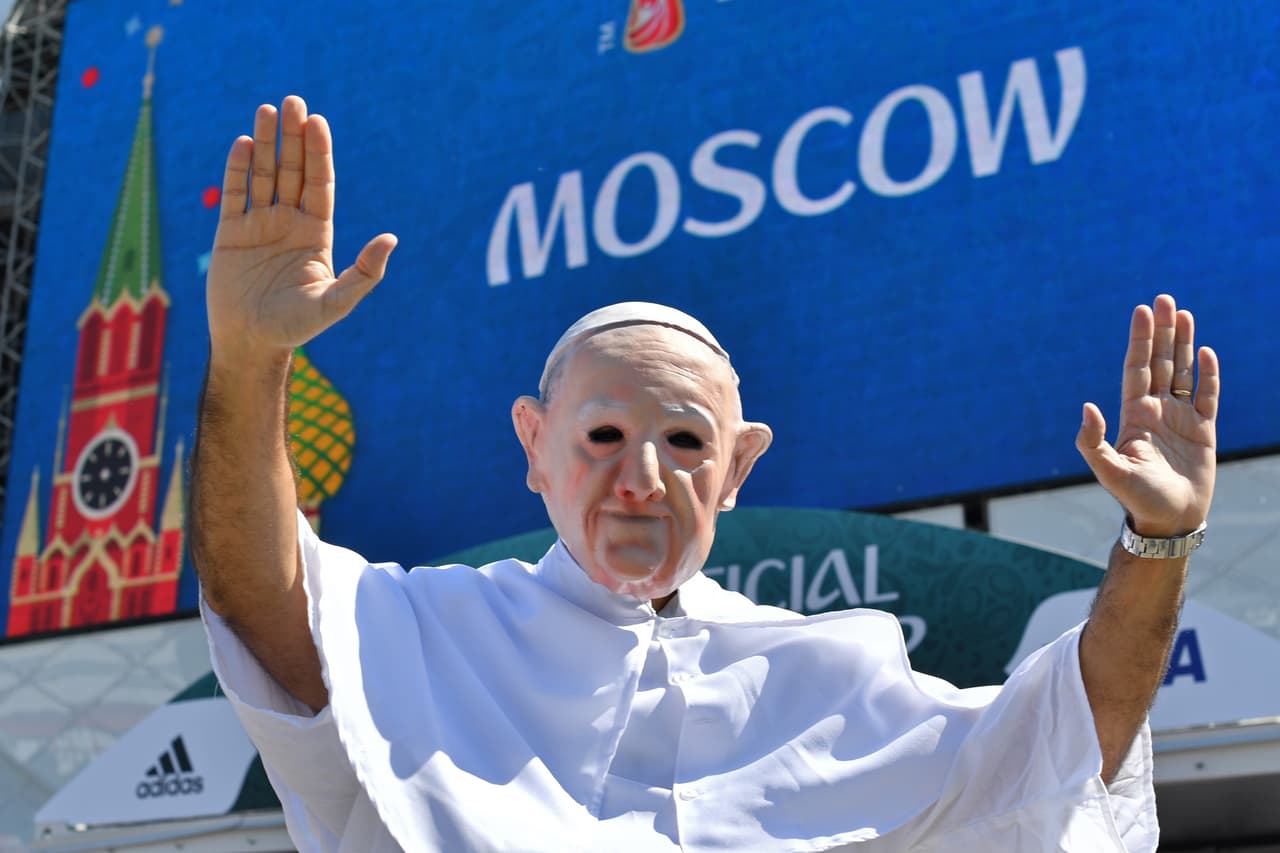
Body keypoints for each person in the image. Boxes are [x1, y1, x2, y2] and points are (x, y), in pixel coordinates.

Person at [191, 97, 1220, 852]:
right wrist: (248, 364)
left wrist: (1156, 541)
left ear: (737, 469)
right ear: (532, 448)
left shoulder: (837, 677)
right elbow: (260, 592)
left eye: (684, 443)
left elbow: (1066, 734)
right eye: (601, 438)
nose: (641, 476)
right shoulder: (428, 634)